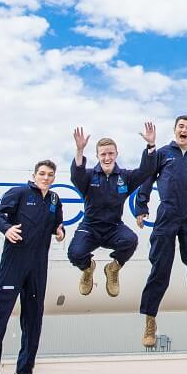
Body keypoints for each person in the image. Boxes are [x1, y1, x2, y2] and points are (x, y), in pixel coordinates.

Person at [0, 159, 66, 374]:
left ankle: (24, 373)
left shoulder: (54, 200)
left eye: (50, 174)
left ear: (54, 177)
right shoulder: (19, 192)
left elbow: (56, 224)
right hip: (14, 263)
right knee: (0, 318)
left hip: (38, 266)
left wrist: (60, 232)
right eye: (42, 173)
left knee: (33, 322)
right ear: (34, 174)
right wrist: (6, 228)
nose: (45, 177)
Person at [134, 115, 187, 348]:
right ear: (175, 130)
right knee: (160, 268)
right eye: (181, 126)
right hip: (167, 214)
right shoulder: (162, 153)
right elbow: (146, 180)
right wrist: (141, 206)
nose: (184, 130)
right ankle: (150, 322)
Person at [67, 126, 150, 297]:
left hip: (114, 227)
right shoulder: (89, 177)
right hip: (90, 227)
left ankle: (113, 269)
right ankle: (88, 269)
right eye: (103, 154)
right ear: (97, 156)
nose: (107, 157)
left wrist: (150, 146)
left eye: (110, 153)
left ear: (116, 154)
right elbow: (76, 174)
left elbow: (145, 172)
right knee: (75, 254)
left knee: (131, 240)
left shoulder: (125, 177)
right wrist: (80, 149)